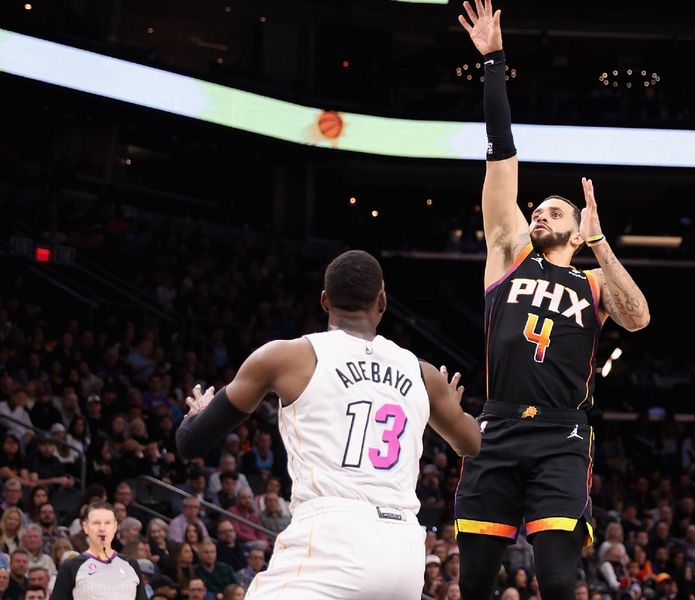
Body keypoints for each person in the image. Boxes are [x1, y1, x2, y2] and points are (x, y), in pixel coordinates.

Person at [455, 3, 650, 599]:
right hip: (497, 425)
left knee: (559, 580)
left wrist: (599, 241)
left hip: (563, 435)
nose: (540, 212)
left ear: (575, 227)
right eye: (538, 209)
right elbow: (501, 158)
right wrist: (493, 63)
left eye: (554, 211)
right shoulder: (510, 252)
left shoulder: (592, 282)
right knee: (477, 581)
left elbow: (638, 317)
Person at [176, 250, 481, 599]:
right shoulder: (423, 373)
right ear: (382, 301)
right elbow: (471, 444)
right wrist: (450, 406)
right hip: (405, 550)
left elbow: (190, 443)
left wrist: (197, 412)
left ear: (324, 300)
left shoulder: (288, 357)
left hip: (334, 534)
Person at [51, 501, 147, 600]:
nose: (102, 528)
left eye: (107, 523)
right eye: (96, 523)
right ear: (86, 527)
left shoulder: (131, 565)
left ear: (115, 527)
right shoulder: (70, 567)